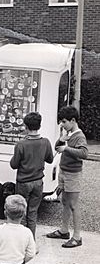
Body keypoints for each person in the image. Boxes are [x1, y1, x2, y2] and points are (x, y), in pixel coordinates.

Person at [46, 106, 88, 248]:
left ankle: (77, 237)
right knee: (65, 202)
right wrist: (60, 140)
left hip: (73, 174)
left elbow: (84, 153)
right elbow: (57, 148)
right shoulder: (69, 134)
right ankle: (64, 231)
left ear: (73, 120)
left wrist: (66, 148)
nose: (62, 124)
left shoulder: (79, 136)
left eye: (64, 121)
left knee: (73, 205)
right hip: (64, 171)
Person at [10, 112, 53, 238]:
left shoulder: (21, 144)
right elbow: (50, 159)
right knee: (33, 212)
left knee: (21, 212)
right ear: (39, 125)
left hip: (23, 182)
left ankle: (20, 241)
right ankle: (31, 241)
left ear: (25, 126)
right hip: (38, 181)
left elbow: (14, 164)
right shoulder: (45, 142)